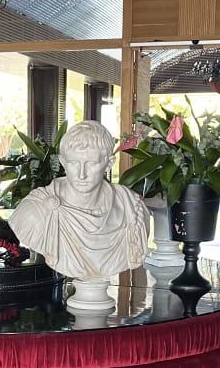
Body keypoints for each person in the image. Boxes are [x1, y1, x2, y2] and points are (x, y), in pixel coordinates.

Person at [9, 120, 149, 281]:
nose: (82, 174)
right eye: (74, 163)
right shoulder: (35, 211)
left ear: (109, 164)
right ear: (63, 162)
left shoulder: (132, 208)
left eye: (91, 163)